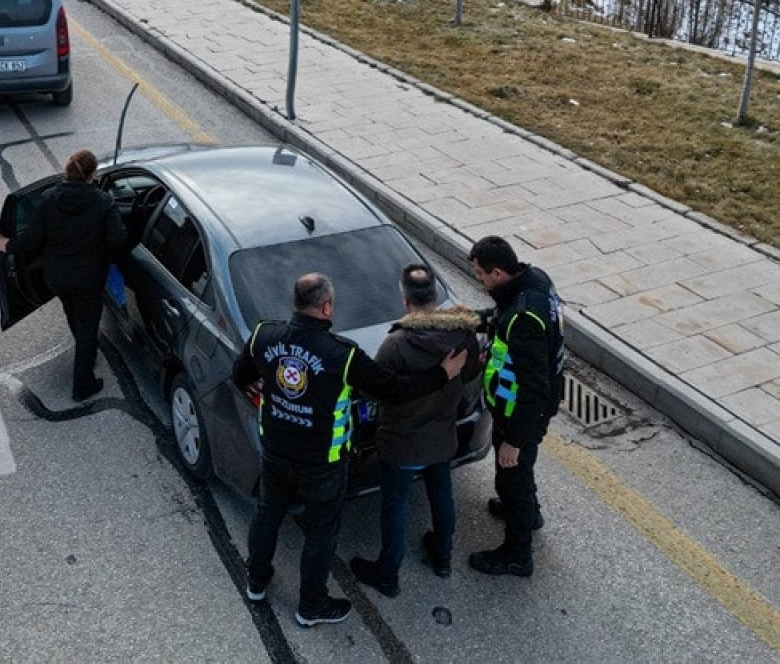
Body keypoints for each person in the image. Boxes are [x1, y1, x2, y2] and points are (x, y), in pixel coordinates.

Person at [232, 273, 466, 628]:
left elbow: (240, 376)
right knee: (320, 532)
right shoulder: (343, 355)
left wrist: (278, 397)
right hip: (323, 463)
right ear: (326, 307)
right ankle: (311, 606)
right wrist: (442, 375)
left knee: (268, 514)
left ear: (296, 303)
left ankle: (256, 582)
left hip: (275, 451)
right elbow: (395, 390)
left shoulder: (264, 335)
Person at [349, 265, 481, 598]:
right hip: (442, 438)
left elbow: (378, 390)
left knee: (396, 505)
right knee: (441, 495)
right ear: (435, 296)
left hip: (401, 443)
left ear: (406, 301)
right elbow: (469, 376)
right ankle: (442, 558)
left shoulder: (397, 344)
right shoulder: (462, 334)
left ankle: (388, 573)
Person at [0, 151, 127, 403]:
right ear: (92, 174)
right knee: (88, 326)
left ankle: (85, 353)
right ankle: (82, 386)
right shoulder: (103, 202)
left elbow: (32, 240)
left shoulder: (48, 199)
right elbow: (117, 239)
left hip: (56, 277)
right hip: (88, 278)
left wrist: (7, 246)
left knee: (74, 314)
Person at [467, 235, 565, 578]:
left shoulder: (522, 319)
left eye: (480, 273)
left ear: (497, 272)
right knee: (520, 471)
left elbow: (533, 389)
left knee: (512, 475)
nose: (478, 279)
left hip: (520, 413)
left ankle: (516, 554)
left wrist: (515, 440)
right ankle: (528, 511)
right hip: (530, 406)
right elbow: (498, 316)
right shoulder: (535, 279)